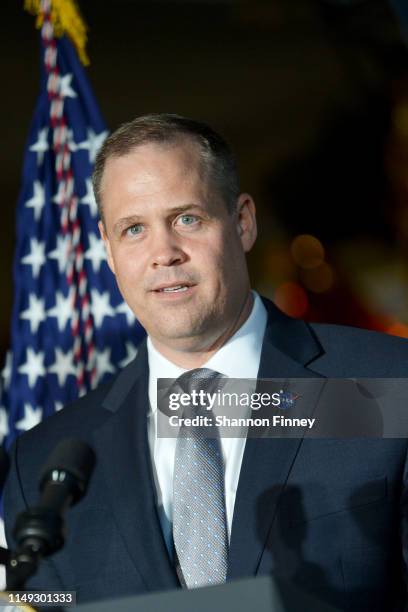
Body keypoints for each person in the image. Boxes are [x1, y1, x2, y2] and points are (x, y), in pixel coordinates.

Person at [4, 114, 408, 611]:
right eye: (134, 229)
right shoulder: (39, 467)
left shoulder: (388, 386)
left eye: (186, 219)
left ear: (242, 222)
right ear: (108, 251)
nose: (164, 253)